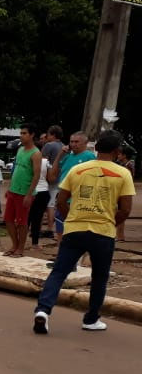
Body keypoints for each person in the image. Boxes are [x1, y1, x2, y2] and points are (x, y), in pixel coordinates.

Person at [33, 130, 135, 334]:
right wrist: (109, 223)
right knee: (99, 276)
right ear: (117, 151)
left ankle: (43, 310)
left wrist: (72, 217)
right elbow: (125, 209)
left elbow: (61, 200)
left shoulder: (78, 170)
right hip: (103, 232)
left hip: (74, 228)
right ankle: (91, 319)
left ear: (95, 148)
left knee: (59, 272)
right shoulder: (123, 173)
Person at [47, 131, 96, 241]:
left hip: (78, 201)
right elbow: (52, 176)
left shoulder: (89, 157)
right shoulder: (67, 157)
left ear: (85, 143)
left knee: (77, 231)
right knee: (60, 229)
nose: (73, 144)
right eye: (71, 141)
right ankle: (61, 254)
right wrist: (60, 154)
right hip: (63, 198)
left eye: (77, 142)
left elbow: (92, 180)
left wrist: (85, 200)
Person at [3, 123, 42, 257]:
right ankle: (14, 244)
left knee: (22, 222)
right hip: (14, 190)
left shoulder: (36, 153)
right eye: (21, 133)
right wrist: (9, 188)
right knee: (8, 219)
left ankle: (21, 248)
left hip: (24, 192)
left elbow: (36, 175)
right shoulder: (20, 150)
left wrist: (29, 194)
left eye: (24, 133)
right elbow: (16, 170)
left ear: (32, 135)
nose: (21, 136)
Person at [41, 125, 65, 239]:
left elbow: (42, 162)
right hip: (61, 178)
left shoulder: (49, 146)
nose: (47, 137)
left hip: (49, 178)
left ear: (53, 135)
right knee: (53, 203)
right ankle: (52, 227)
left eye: (48, 134)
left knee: (48, 204)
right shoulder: (64, 147)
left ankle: (49, 228)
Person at [115, 148, 135, 242]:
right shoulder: (124, 165)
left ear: (124, 156)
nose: (118, 156)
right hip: (122, 191)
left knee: (120, 213)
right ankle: (119, 235)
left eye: (120, 154)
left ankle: (120, 236)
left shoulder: (128, 166)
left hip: (123, 192)